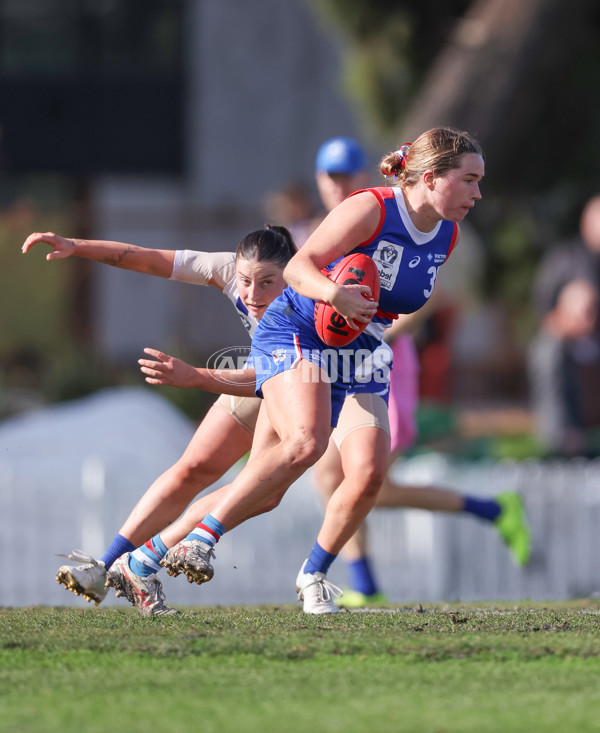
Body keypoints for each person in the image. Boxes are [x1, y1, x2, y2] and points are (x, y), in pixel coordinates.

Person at [160, 127, 489, 614]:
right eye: (469, 180)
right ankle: (197, 541)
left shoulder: (448, 231)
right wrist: (335, 294)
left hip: (364, 351)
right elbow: (297, 269)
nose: (478, 193)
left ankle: (312, 574)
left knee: (368, 474)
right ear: (432, 177)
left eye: (480, 182)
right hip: (299, 332)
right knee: (303, 447)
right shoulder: (372, 208)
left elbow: (397, 301)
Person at [296, 137, 531, 608]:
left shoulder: (422, 222)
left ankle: (489, 510)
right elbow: (297, 277)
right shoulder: (332, 224)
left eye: (347, 174)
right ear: (320, 181)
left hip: (389, 362)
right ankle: (363, 584)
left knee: (369, 483)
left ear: (364, 174)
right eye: (330, 175)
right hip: (328, 358)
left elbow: (437, 296)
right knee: (332, 477)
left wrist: (380, 332)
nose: (339, 184)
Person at [23, 225, 297, 614]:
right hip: (257, 376)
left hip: (301, 383)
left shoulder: (308, 298)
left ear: (292, 272)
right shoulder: (226, 270)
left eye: (268, 282)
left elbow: (276, 374)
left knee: (265, 493)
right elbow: (150, 258)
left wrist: (195, 376)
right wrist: (76, 245)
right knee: (193, 469)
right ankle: (108, 565)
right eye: (245, 281)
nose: (253, 295)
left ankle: (143, 560)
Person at [528, 278, 600, 457]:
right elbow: (553, 410)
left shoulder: (566, 346)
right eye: (588, 313)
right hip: (561, 451)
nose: (592, 321)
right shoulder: (551, 351)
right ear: (566, 311)